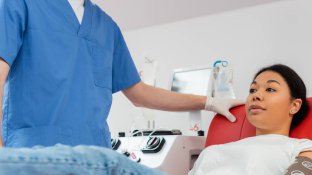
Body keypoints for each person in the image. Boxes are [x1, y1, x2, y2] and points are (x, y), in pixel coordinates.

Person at [0, 64, 312, 175]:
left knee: (107, 166)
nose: (256, 95)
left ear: (294, 105)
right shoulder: (229, 143)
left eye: (270, 89)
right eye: (252, 88)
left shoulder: (308, 147)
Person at [0, 0, 242, 148]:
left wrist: (209, 102)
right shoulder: (20, 3)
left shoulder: (106, 27)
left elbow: (139, 93)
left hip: (96, 158)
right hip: (33, 154)